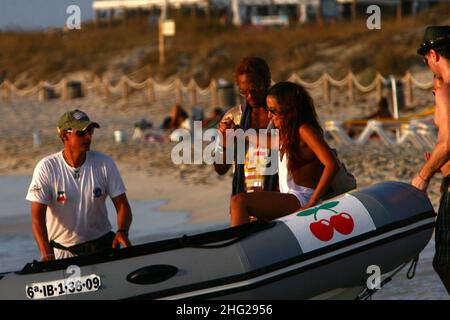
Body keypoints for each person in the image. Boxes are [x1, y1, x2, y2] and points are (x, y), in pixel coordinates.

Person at [26, 109, 133, 261]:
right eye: (81, 133)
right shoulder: (46, 168)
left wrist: (122, 231)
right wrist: (47, 254)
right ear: (64, 135)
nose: (88, 136)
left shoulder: (104, 163)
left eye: (90, 131)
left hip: (104, 246)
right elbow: (37, 218)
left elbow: (123, 206)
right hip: (63, 252)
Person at [230, 82, 339, 226]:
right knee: (243, 203)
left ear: (290, 110)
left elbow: (331, 164)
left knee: (239, 201)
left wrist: (312, 202)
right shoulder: (287, 134)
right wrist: (238, 131)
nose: (269, 115)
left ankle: (239, 246)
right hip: (290, 197)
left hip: (302, 199)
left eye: (273, 110)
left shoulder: (304, 131)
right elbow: (263, 140)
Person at [411, 25, 450, 294]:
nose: (427, 64)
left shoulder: (446, 90)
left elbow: (447, 142)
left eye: (426, 59)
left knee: (444, 261)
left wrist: (422, 176)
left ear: (433, 54)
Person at [214, 57, 278, 196]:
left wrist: (245, 134)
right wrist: (226, 144)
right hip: (246, 202)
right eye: (244, 91)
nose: (250, 96)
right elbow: (220, 169)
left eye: (255, 89)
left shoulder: (280, 114)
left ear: (267, 83)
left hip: (281, 199)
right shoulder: (233, 117)